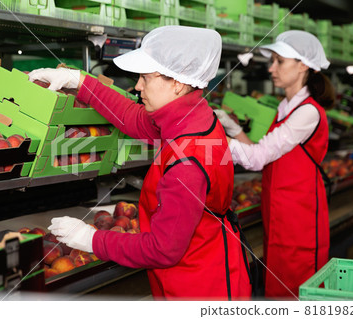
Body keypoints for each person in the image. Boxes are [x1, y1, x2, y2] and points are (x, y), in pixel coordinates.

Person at [29, 26, 252, 300]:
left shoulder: (188, 162)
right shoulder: (191, 116)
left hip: (198, 286)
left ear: (177, 83)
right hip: (202, 263)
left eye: (146, 77)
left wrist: (92, 240)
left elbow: (163, 249)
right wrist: (78, 81)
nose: (137, 86)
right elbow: (133, 119)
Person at [215, 30, 335, 299]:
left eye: (279, 61)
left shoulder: (307, 112)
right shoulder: (286, 106)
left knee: (296, 292)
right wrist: (233, 129)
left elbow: (256, 157)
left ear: (303, 65)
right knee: (278, 286)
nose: (272, 68)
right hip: (278, 213)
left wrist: (208, 142)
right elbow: (261, 157)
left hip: (299, 220)